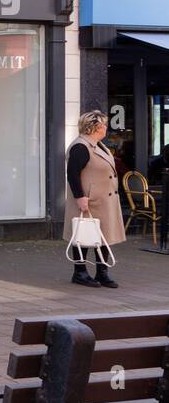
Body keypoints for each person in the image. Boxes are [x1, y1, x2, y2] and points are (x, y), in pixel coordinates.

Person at [64, 110, 125, 288]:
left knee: (104, 236)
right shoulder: (81, 146)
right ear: (95, 127)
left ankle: (102, 272)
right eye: (104, 124)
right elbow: (73, 174)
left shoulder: (97, 145)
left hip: (104, 200)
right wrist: (80, 197)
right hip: (89, 201)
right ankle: (80, 272)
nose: (106, 127)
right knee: (82, 235)